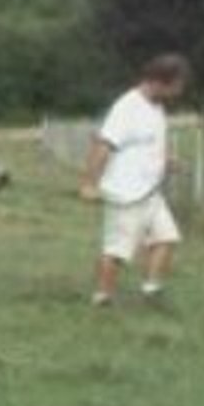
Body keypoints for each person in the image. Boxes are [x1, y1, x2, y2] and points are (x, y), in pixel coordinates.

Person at [80, 53, 190, 306]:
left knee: (166, 238)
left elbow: (145, 145)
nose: (178, 93)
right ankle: (102, 297)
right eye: (176, 86)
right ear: (160, 81)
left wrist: (168, 161)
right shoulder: (127, 107)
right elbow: (103, 146)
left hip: (150, 192)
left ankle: (151, 290)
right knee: (117, 251)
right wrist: (89, 183)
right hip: (125, 193)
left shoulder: (157, 108)